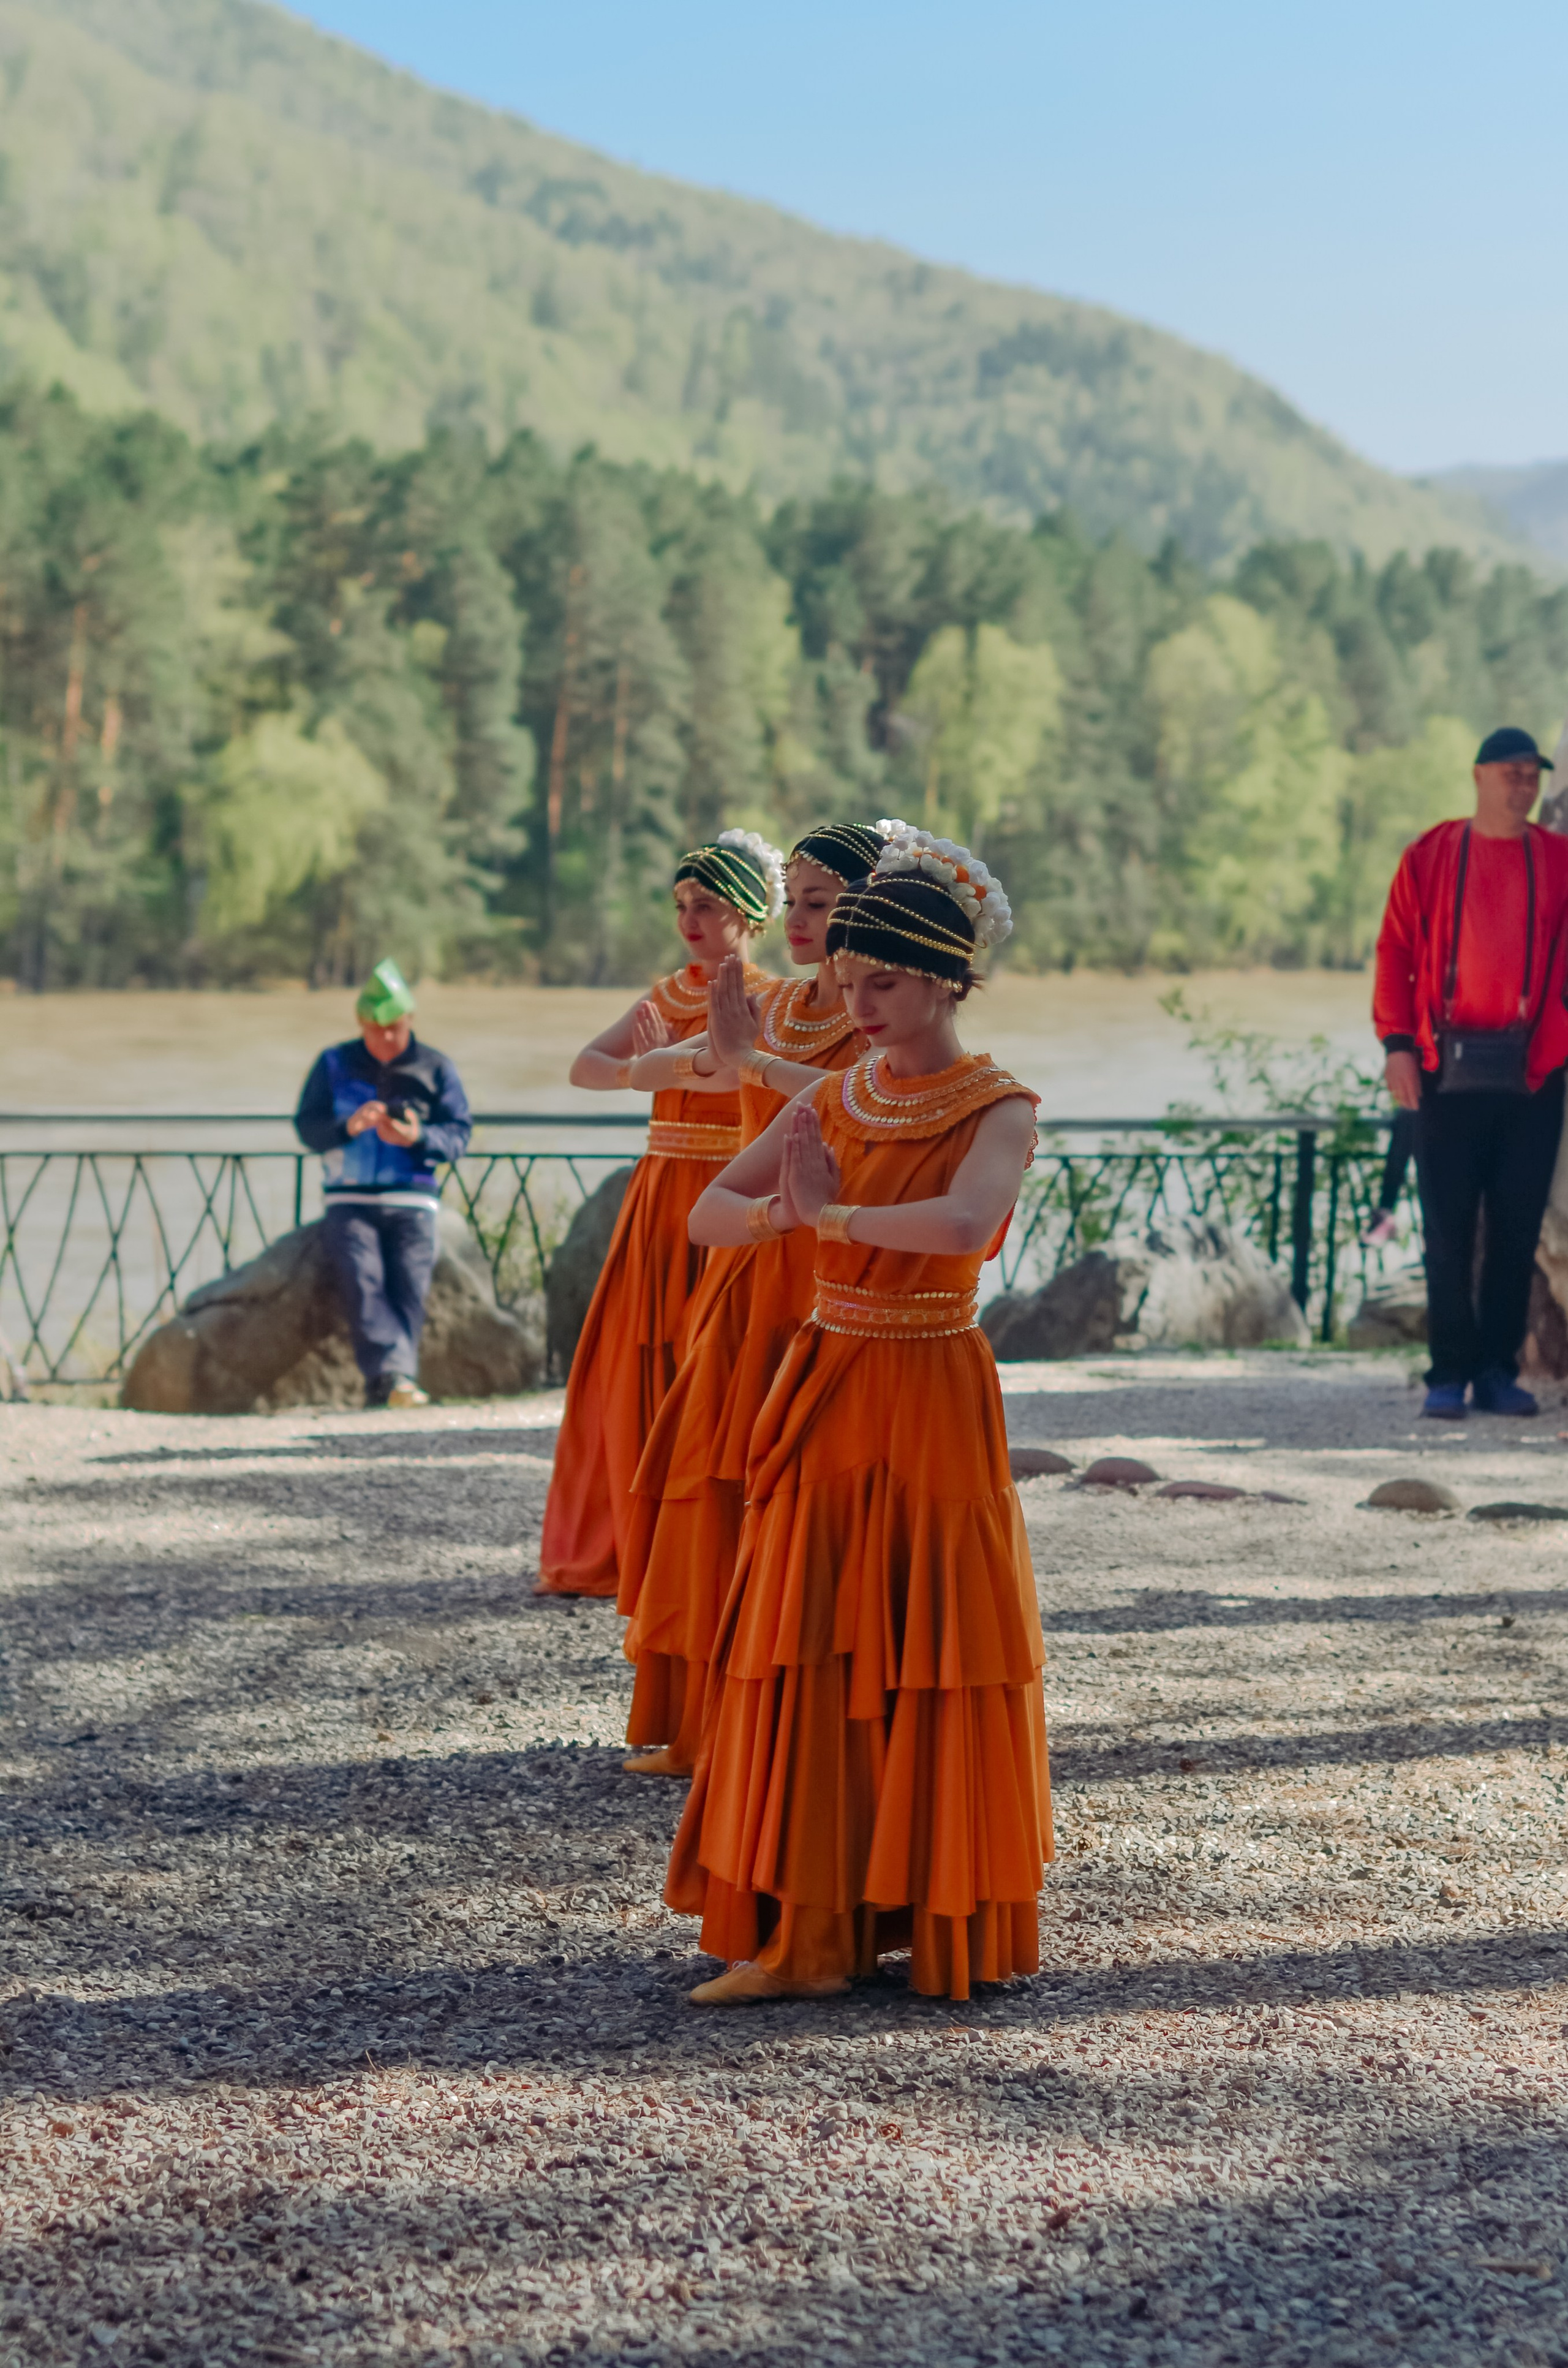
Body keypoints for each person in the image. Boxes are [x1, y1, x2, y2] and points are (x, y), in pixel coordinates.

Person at [666, 831, 1052, 2007]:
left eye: (879, 983)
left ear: (942, 978)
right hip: (828, 1386)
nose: (856, 1002)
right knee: (809, 1636)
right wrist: (786, 1219)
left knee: (926, 1645)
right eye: (845, 982)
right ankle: (808, 1935)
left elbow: (962, 1222)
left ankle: (926, 1913)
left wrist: (829, 1222)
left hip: (932, 1391)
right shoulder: (838, 1094)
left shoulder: (1001, 1106)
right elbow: (708, 1221)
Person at [617, 822, 899, 1779]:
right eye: (802, 902)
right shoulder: (769, 1001)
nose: (804, 921)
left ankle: (778, 1731)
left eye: (824, 904)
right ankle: (702, 1723)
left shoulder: (883, 1011)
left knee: (787, 1502)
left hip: (819, 1281)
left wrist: (749, 1061)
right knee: (711, 1489)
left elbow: (877, 1100)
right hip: (746, 1267)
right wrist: (710, 1056)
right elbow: (667, 1075)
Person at [535, 831, 782, 1597]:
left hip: (729, 1185)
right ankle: (635, 1540)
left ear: (747, 911)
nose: (689, 920)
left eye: (705, 905)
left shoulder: (773, 1000)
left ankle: (710, 1540)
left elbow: (738, 1079)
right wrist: (655, 1069)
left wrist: (655, 1067)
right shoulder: (669, 993)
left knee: (715, 1354)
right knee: (641, 1353)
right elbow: (585, 1066)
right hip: (662, 1188)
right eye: (681, 905)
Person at [1374, 725, 1568, 1419]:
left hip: (1536, 1073)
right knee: (1446, 1230)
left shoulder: (1558, 859)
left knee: (1516, 1230)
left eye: (1532, 775)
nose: (1523, 786)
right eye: (1510, 773)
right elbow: (1394, 948)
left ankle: (1497, 1372)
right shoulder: (1430, 854)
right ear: (1479, 775)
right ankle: (1447, 1374)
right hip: (1438, 1067)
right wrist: (1396, 1042)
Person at [294, 959, 472, 1410]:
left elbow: (459, 1135)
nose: (386, 1038)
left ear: (410, 1021)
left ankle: (389, 1382)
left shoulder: (437, 1068)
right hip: (349, 1197)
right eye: (376, 1029)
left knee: (411, 1283)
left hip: (414, 1198)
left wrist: (418, 1137)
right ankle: (396, 1380)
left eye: (394, 1028)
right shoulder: (332, 1064)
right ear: (361, 1024)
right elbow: (307, 1127)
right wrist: (347, 1127)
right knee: (362, 1275)